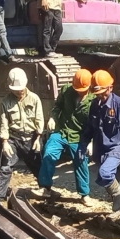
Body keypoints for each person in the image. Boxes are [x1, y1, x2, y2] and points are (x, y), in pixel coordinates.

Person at [77, 70, 120, 214]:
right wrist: (83, 144)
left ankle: (119, 199)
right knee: (103, 177)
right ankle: (117, 203)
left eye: (102, 92)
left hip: (118, 146)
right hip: (101, 147)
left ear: (110, 88)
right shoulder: (95, 105)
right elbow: (89, 128)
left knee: (105, 173)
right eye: (97, 93)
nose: (99, 95)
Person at [34, 69, 94, 205]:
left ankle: (84, 194)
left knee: (81, 161)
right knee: (49, 153)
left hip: (79, 136)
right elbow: (57, 106)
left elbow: (95, 124)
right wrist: (52, 118)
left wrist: (91, 142)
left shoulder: (94, 100)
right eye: (77, 89)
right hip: (62, 131)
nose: (80, 92)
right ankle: (45, 188)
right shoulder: (66, 90)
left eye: (83, 90)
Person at [0, 68, 44, 199]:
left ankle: (46, 190)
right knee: (5, 167)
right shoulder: (5, 102)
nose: (19, 92)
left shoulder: (34, 99)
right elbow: (3, 122)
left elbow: (39, 119)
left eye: (20, 89)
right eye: (16, 90)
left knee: (38, 166)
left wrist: (38, 138)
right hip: (13, 139)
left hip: (31, 139)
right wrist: (5, 142)